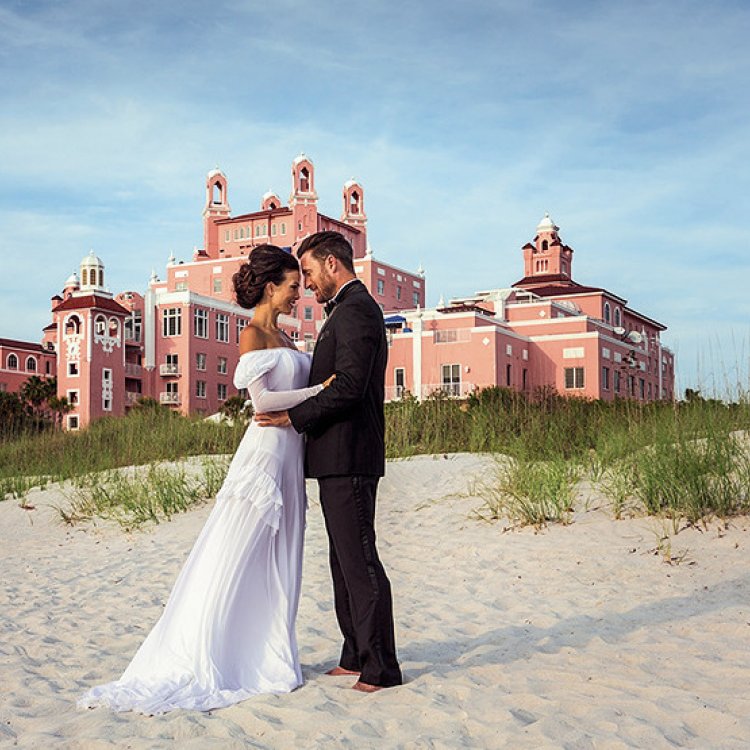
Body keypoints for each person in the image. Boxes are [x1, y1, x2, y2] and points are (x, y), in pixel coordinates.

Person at [78, 245, 333, 714]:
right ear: (272, 287)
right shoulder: (252, 335)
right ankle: (213, 650)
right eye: (294, 286)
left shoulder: (289, 340)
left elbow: (286, 400)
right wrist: (322, 390)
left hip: (290, 458)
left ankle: (267, 653)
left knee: (281, 560)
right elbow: (261, 404)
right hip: (264, 458)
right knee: (233, 554)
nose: (300, 293)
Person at [255, 231, 402, 692]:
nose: (309, 284)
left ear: (333, 265)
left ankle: (382, 667)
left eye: (312, 273)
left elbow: (350, 385)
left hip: (351, 455)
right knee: (342, 560)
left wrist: (292, 417)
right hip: (336, 456)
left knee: (359, 561)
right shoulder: (346, 311)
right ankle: (355, 654)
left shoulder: (358, 311)